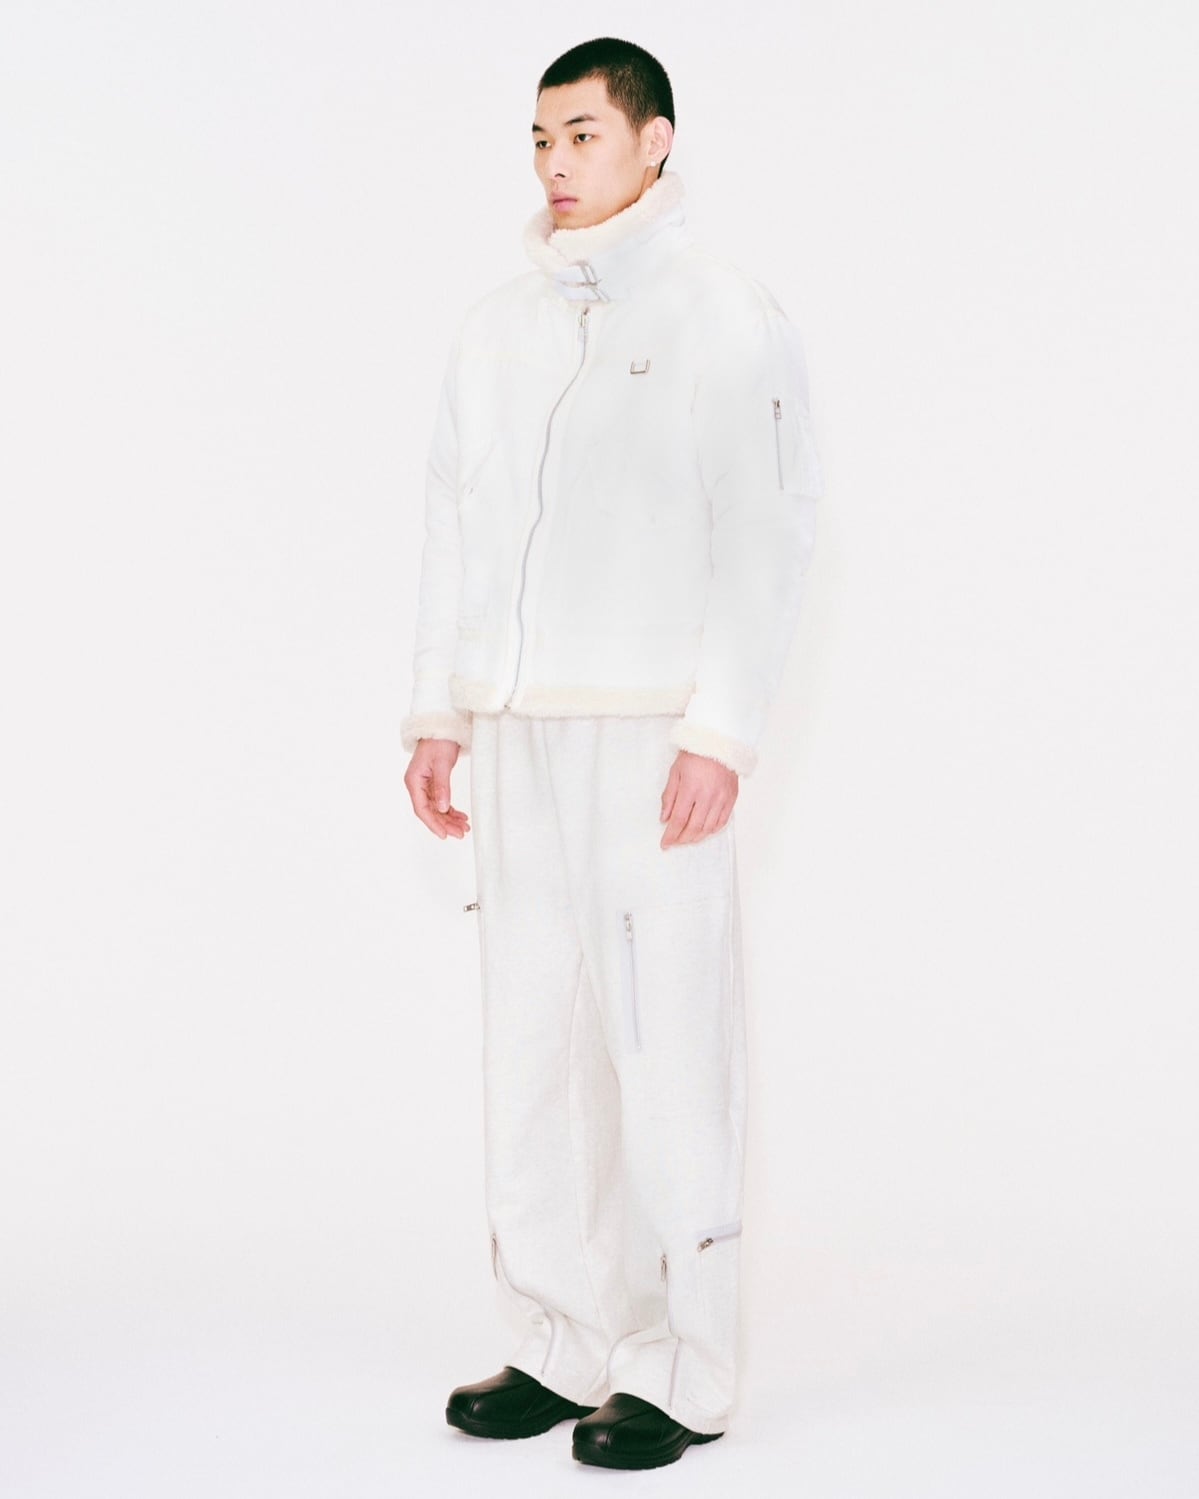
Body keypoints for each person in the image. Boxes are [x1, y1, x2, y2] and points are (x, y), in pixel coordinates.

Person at [401, 36, 824, 1471]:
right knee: (532, 1047)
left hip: (651, 741)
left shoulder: (723, 316)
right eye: (540, 138)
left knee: (666, 1043)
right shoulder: (495, 331)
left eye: (583, 134)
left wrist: (721, 729)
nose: (556, 163)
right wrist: (438, 712)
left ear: (655, 141)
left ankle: (686, 1369)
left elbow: (766, 533)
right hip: (518, 735)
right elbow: (453, 524)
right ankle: (557, 1339)